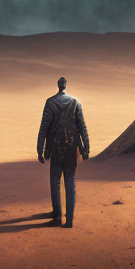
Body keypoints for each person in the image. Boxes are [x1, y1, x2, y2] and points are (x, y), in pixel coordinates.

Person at [36, 76, 90, 228]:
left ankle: (57, 216)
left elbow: (44, 127)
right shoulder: (76, 102)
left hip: (55, 146)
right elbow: (82, 127)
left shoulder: (51, 102)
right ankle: (69, 220)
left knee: (55, 181)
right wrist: (86, 148)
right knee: (70, 182)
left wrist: (40, 149)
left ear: (58, 85)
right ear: (65, 86)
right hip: (72, 146)